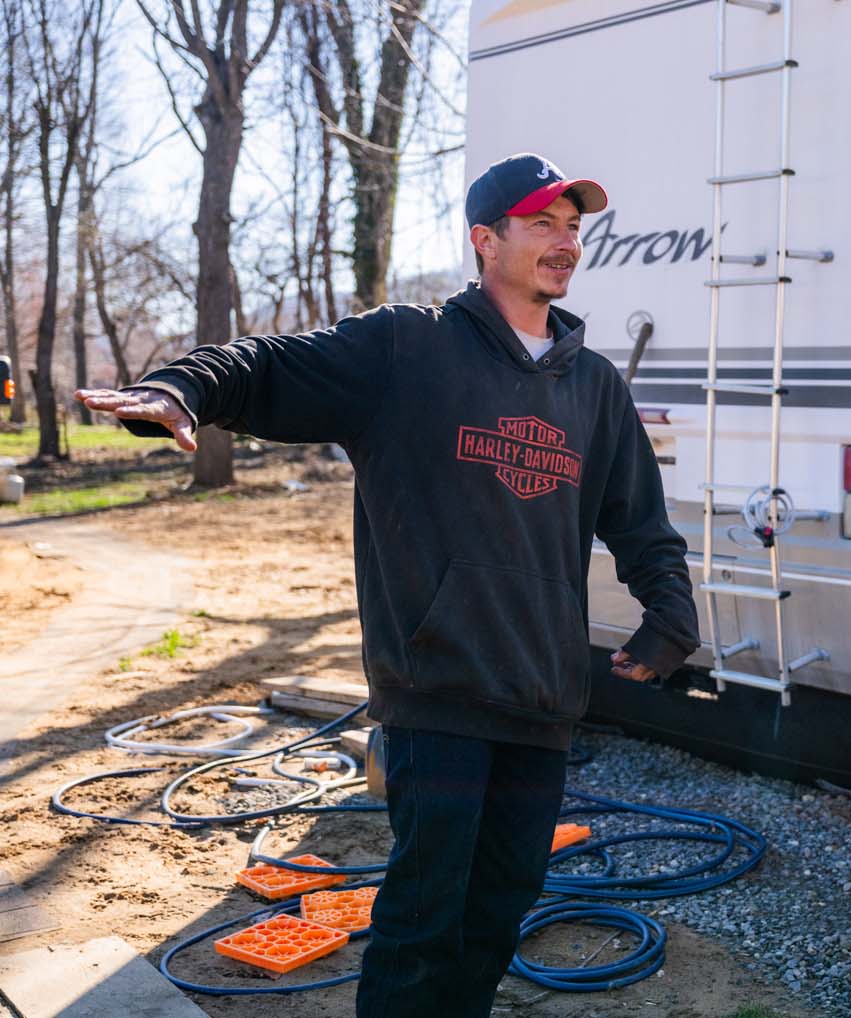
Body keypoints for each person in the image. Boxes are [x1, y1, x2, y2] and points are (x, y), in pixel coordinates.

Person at [77, 153, 700, 1018]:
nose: (564, 243)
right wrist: (180, 387)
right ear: (487, 239)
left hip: (544, 696)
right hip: (436, 688)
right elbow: (270, 365)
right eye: (542, 224)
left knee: (496, 914)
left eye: (573, 226)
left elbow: (638, 518)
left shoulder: (591, 386)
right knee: (420, 921)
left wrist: (669, 615)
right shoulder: (408, 347)